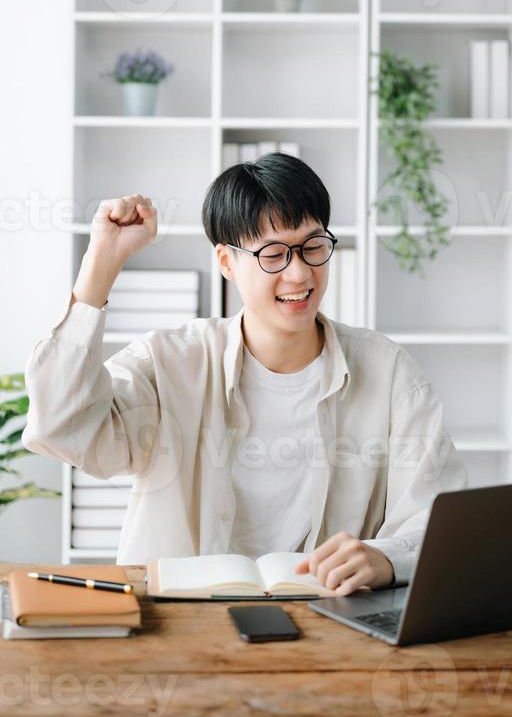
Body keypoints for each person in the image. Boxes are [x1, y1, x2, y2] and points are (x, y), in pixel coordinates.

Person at [23, 153, 467, 595]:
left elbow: (437, 518)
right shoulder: (170, 361)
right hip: (184, 629)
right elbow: (63, 429)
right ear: (226, 262)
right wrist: (102, 262)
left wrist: (385, 557)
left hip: (331, 626)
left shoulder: (388, 372)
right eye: (273, 254)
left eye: (313, 246)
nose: (299, 272)